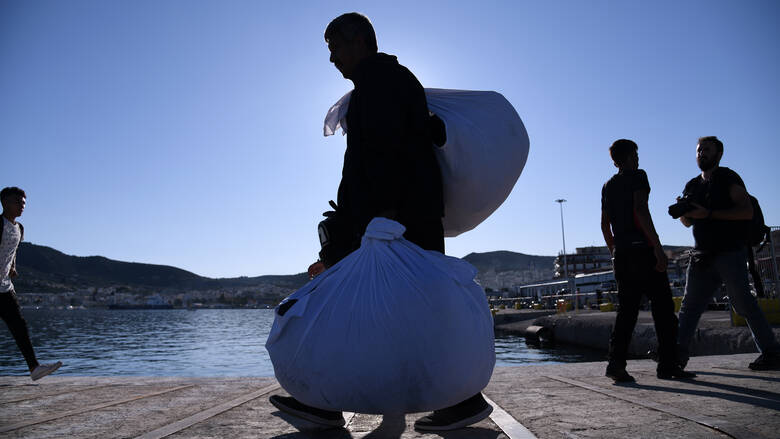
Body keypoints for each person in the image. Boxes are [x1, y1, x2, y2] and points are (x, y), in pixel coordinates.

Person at [269, 12, 493, 431]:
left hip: (389, 223)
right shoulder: (393, 81)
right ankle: (461, 401)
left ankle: (323, 402)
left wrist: (370, 230)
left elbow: (385, 157)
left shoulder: (379, 84)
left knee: (337, 309)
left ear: (358, 42)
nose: (332, 59)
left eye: (335, 47)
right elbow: (411, 143)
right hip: (405, 218)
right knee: (413, 312)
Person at [676, 136, 780, 371]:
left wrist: (709, 214)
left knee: (743, 304)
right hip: (702, 255)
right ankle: (676, 357)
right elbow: (687, 223)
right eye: (699, 150)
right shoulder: (692, 185)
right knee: (689, 307)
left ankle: (772, 352)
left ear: (718, 154)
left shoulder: (728, 178)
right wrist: (683, 211)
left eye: (707, 150)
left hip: (729, 253)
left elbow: (745, 212)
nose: (701, 153)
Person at [600, 139, 694, 382]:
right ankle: (667, 366)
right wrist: (657, 248)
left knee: (627, 312)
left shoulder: (608, 186)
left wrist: (614, 251)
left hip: (622, 254)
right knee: (663, 310)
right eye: (636, 154)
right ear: (630, 157)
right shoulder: (639, 176)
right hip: (643, 251)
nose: (638, 159)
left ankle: (616, 364)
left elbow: (605, 224)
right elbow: (641, 210)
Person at [0, 187, 62, 381]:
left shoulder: (20, 228)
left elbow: (13, 250)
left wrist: (13, 267)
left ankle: (34, 368)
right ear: (5, 203)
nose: (22, 206)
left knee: (20, 326)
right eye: (17, 202)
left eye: (24, 203)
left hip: (4, 286)